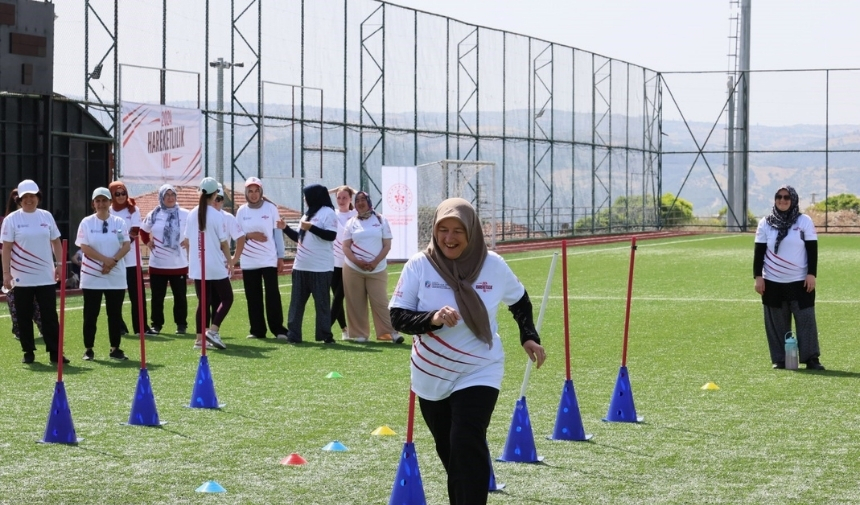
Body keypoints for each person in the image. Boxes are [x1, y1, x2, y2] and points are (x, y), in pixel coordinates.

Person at [389, 198, 546, 505]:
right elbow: (397, 317)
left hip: (480, 368)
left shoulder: (493, 265)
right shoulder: (419, 265)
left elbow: (520, 300)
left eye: (458, 230)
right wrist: (431, 319)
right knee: (450, 451)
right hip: (430, 375)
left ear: (472, 231)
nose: (449, 238)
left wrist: (528, 335)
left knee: (465, 442)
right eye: (443, 229)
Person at [754, 185, 824, 370]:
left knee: (806, 320)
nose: (782, 200)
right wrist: (758, 277)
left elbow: (812, 250)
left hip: (800, 282)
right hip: (772, 283)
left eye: (786, 197)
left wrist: (811, 274)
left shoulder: (804, 221)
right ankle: (780, 360)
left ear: (793, 200)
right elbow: (759, 252)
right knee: (776, 324)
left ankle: (811, 359)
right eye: (779, 197)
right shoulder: (765, 223)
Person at [1, 180, 67, 364]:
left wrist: (60, 265)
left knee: (49, 316)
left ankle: (55, 352)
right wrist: (6, 273)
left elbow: (56, 242)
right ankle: (28, 352)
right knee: (23, 316)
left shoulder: (46, 217)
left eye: (33, 196)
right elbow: (6, 248)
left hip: (46, 276)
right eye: (25, 197)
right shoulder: (11, 219)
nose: (29, 200)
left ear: (38, 197)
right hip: (21, 278)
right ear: (19, 199)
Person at [76, 188, 131, 361]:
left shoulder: (119, 222)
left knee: (114, 314)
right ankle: (89, 349)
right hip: (92, 275)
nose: (101, 204)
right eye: (97, 201)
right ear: (93, 203)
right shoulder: (86, 222)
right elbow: (84, 247)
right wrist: (104, 260)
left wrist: (112, 261)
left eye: (104, 200)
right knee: (90, 314)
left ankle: (115, 348)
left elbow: (126, 246)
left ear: (110, 202)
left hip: (115, 275)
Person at [342, 191, 402, 344]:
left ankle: (391, 333)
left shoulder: (381, 220)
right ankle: (360, 334)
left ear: (369, 202)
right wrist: (358, 262)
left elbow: (387, 245)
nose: (360, 203)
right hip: (353, 269)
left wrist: (375, 262)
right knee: (355, 302)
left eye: (363, 200)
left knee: (381, 301)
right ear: (354, 204)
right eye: (357, 200)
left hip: (377, 268)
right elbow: (346, 247)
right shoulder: (351, 222)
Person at [233, 177, 289, 339]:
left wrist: (281, 257)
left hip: (268, 260)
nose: (254, 194)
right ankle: (257, 331)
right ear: (246, 193)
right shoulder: (241, 211)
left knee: (272, 295)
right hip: (248, 261)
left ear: (261, 192)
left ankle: (278, 329)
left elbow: (277, 233)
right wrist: (250, 235)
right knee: (253, 296)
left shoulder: (271, 208)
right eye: (250, 191)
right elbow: (236, 235)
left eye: (257, 191)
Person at [282, 184, 337, 344]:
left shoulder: (328, 213)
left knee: (322, 305)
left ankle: (325, 335)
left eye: (307, 195)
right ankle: (293, 335)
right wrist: (285, 228)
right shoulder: (307, 214)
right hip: (300, 267)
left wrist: (312, 228)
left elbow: (331, 236)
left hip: (320, 268)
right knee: (296, 304)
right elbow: (300, 238)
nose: (305, 199)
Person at [185, 177, 233, 350]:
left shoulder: (191, 213)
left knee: (203, 301)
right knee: (227, 298)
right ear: (215, 194)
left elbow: (188, 240)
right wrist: (230, 261)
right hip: (214, 264)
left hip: (198, 265)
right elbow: (224, 243)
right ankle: (213, 330)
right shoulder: (217, 215)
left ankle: (199, 339)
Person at [140, 184, 190, 335]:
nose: (170, 198)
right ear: (161, 197)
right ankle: (156, 325)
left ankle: (181, 324)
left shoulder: (185, 214)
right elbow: (143, 230)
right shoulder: (154, 214)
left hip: (179, 264)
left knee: (180, 297)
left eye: (172, 195)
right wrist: (147, 242)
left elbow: (197, 228)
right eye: (166, 195)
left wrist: (188, 240)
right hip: (158, 264)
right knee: (157, 297)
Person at [110, 181, 157, 336]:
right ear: (112, 195)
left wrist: (123, 247)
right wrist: (116, 252)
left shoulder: (133, 209)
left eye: (123, 193)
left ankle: (141, 328)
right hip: (114, 260)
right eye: (117, 194)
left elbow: (135, 230)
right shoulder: (108, 211)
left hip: (132, 260)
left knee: (137, 295)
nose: (121, 196)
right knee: (116, 296)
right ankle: (119, 326)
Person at [2, 188, 44, 341]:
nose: (26, 201)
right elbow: (5, 246)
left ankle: (43, 328)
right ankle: (19, 330)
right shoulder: (8, 220)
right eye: (20, 198)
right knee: (15, 302)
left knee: (36, 304)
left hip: (34, 271)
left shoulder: (40, 218)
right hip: (14, 269)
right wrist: (6, 271)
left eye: (30, 197)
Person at [331, 185, 357, 340]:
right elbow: (311, 199)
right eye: (339, 197)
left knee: (340, 296)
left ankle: (326, 326)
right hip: (333, 262)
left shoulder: (356, 214)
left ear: (350, 199)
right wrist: (332, 190)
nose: (341, 201)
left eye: (345, 197)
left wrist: (351, 190)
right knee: (337, 297)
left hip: (351, 263)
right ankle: (344, 329)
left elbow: (368, 202)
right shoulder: (331, 214)